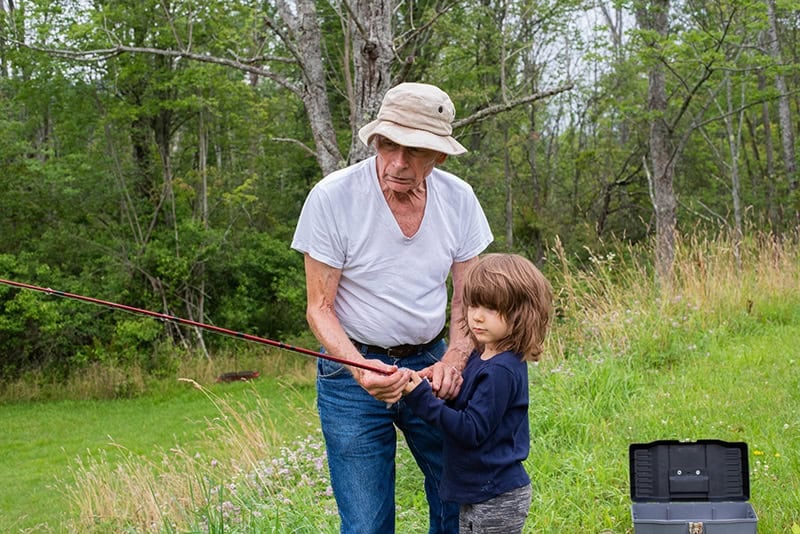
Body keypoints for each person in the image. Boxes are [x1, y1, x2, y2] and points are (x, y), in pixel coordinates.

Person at [291, 82, 494, 534]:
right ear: (376, 140)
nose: (399, 163)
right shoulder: (333, 197)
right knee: (366, 523)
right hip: (352, 371)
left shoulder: (459, 200)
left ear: (439, 155)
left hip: (433, 360)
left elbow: (469, 296)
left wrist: (455, 361)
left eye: (415, 150)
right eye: (389, 145)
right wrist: (360, 366)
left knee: (459, 499)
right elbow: (319, 307)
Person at [402, 253, 554, 534]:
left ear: (521, 313)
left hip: (496, 497)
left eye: (492, 308)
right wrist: (437, 389)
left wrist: (421, 399)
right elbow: (467, 403)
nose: (477, 316)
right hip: (478, 490)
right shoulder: (482, 356)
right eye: (473, 304)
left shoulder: (501, 371)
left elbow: (471, 429)